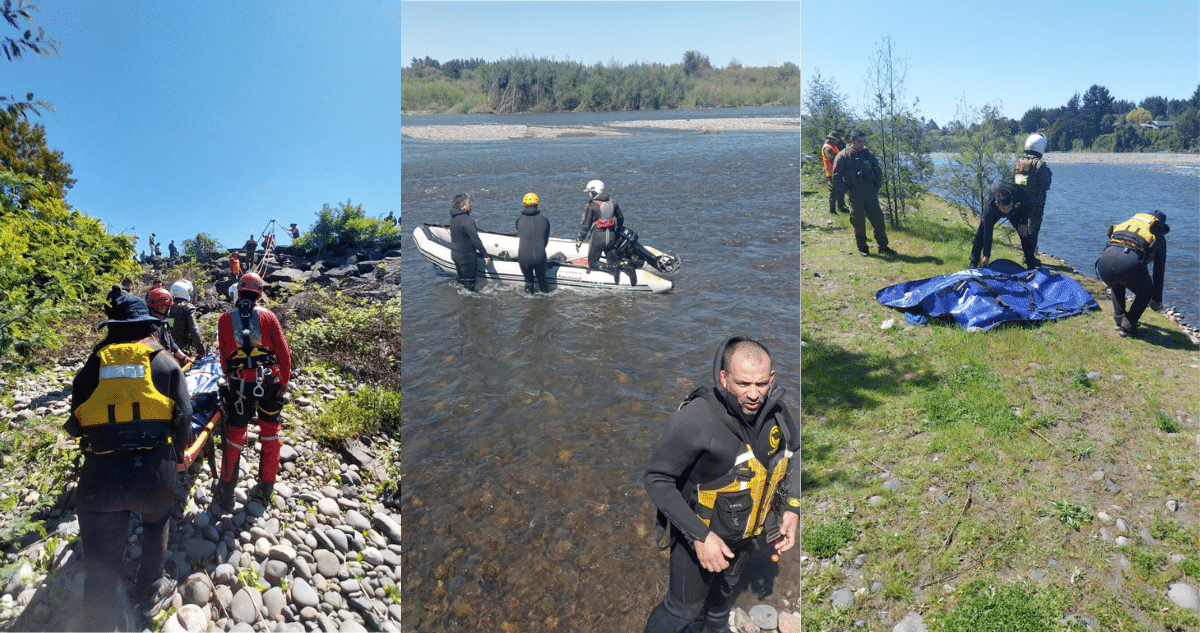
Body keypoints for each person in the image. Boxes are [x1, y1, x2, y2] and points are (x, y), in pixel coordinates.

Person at [643, 336, 800, 633]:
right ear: (724, 378)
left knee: (720, 605)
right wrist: (700, 536)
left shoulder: (776, 411)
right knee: (682, 611)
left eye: (761, 384)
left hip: (744, 536)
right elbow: (656, 478)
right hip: (699, 538)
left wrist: (792, 507)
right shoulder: (696, 419)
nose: (754, 394)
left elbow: (796, 451)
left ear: (771, 378)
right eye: (743, 384)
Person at [65, 289, 191, 629]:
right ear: (146, 326)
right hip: (154, 476)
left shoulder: (91, 368)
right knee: (156, 520)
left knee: (101, 561)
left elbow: (77, 426)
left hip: (101, 478)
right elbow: (184, 420)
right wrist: (179, 457)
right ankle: (150, 589)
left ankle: (102, 612)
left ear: (112, 329)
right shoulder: (165, 363)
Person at [214, 272, 292, 510]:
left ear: (239, 291)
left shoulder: (225, 319)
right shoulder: (269, 317)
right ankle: (265, 490)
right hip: (269, 383)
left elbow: (225, 357)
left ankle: (226, 490)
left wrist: (232, 379)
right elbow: (284, 354)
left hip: (239, 385)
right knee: (271, 434)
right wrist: (284, 382)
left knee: (235, 435)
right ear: (259, 294)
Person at [1095, 210, 1169, 337]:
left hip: (1104, 263)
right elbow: (1159, 270)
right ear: (1160, 225)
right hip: (1128, 263)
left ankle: (1119, 319)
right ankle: (1127, 325)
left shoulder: (1128, 223)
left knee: (1116, 282)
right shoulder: (1157, 234)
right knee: (1146, 291)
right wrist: (1156, 298)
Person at [831, 130, 895, 257]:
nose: (862, 144)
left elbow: (878, 172)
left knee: (878, 221)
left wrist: (876, 187)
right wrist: (847, 191)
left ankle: (883, 246)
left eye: (863, 141)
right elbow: (836, 178)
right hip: (854, 193)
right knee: (858, 222)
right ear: (852, 141)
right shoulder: (843, 156)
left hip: (870, 192)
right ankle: (863, 248)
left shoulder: (869, 155)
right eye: (859, 142)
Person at [969, 182, 1039, 269]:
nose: (1006, 211)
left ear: (1012, 201)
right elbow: (988, 233)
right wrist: (986, 255)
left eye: (1008, 207)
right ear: (997, 203)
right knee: (982, 231)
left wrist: (1023, 222)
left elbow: (1028, 203)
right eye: (1004, 208)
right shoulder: (990, 208)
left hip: (1015, 211)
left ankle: (1031, 264)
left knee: (1024, 233)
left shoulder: (1018, 194)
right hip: (995, 212)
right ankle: (973, 261)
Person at [1014, 133, 1053, 259]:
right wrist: (1049, 174)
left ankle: (1026, 255)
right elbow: (1046, 184)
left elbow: (1017, 181)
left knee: (1024, 229)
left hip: (1020, 201)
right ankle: (1029, 257)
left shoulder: (1019, 161)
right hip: (1035, 203)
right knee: (1033, 229)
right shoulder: (1039, 164)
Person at [577, 179, 625, 269]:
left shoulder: (592, 206)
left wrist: (580, 239)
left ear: (594, 192)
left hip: (597, 239)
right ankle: (621, 266)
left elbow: (586, 225)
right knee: (613, 261)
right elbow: (620, 218)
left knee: (592, 262)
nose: (589, 194)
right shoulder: (613, 202)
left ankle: (607, 268)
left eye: (589, 192)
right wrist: (618, 229)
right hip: (611, 237)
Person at [449, 194, 491, 291]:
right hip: (466, 258)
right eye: (469, 203)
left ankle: (461, 302)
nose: (471, 205)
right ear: (463, 206)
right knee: (469, 286)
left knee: (461, 282)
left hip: (455, 255)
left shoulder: (453, 219)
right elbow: (475, 240)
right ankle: (470, 303)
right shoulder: (468, 221)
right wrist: (485, 255)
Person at [516, 192, 551, 293]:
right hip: (539, 255)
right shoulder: (545, 220)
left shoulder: (519, 220)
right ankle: (545, 305)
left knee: (528, 282)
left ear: (524, 204)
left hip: (523, 256)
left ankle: (530, 305)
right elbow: (545, 240)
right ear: (537, 203)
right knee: (542, 280)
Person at [146, 287, 191, 367]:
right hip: (160, 366)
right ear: (162, 307)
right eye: (169, 307)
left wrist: (184, 358)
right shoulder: (152, 327)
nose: (170, 310)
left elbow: (171, 343)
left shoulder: (163, 322)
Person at [167, 280, 204, 358]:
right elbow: (194, 330)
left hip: (170, 347)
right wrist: (201, 350)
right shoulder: (187, 308)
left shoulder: (167, 307)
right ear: (184, 292)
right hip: (184, 349)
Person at [821, 130, 849, 215]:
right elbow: (831, 159)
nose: (837, 141)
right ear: (832, 139)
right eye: (836, 140)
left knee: (841, 191)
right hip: (831, 173)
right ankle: (832, 210)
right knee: (833, 192)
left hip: (838, 172)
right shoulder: (827, 147)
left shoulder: (834, 146)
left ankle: (841, 207)